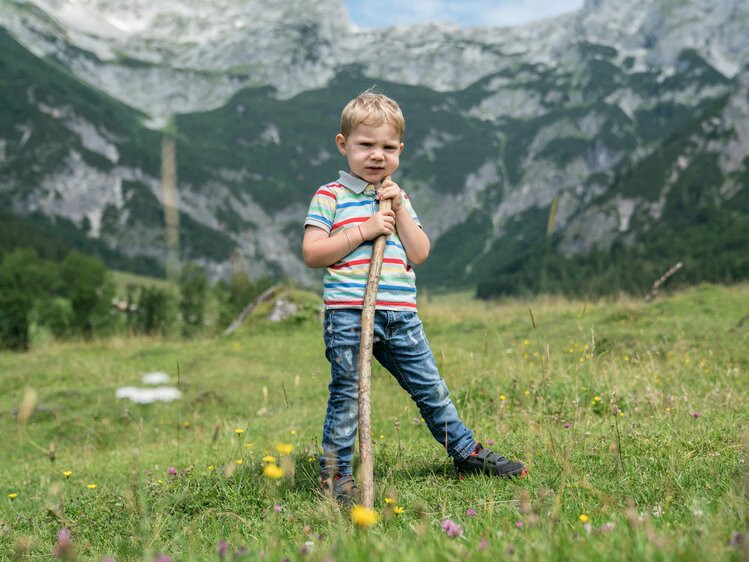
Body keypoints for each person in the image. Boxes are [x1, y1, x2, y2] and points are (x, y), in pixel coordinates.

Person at [302, 91, 526, 505]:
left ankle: (466, 453)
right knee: (348, 393)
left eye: (387, 147)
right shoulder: (330, 195)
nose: (376, 156)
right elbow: (313, 253)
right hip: (350, 314)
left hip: (401, 314)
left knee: (430, 388)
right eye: (365, 145)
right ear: (343, 145)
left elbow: (419, 252)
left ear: (400, 150)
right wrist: (365, 230)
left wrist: (399, 209)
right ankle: (335, 477)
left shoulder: (397, 199)